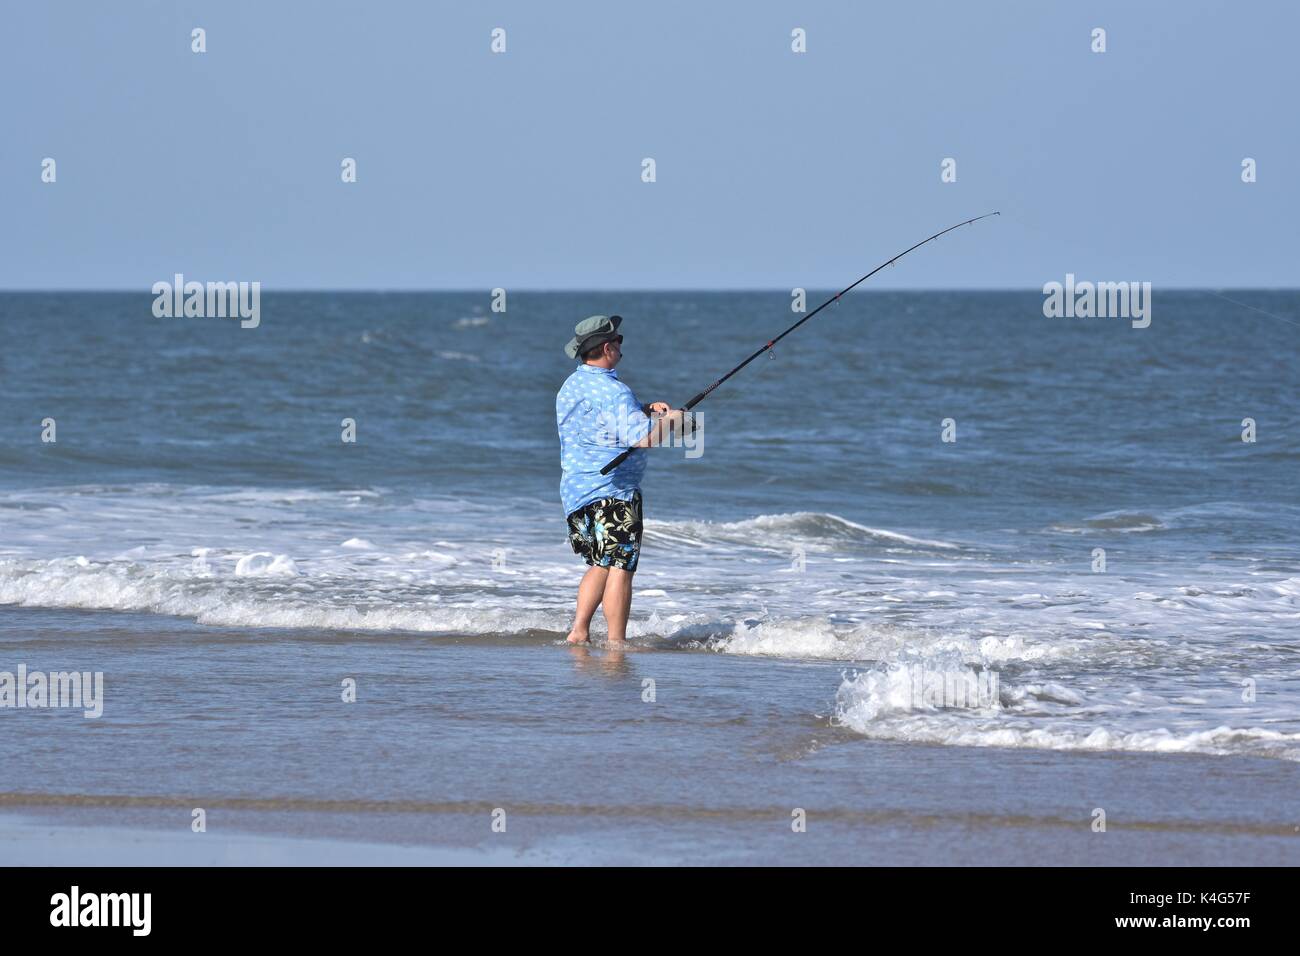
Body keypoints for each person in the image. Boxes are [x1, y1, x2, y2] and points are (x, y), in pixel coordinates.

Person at [555, 315, 684, 644]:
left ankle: (579, 632)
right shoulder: (614, 391)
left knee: (601, 562)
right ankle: (616, 643)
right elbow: (644, 440)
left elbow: (599, 419)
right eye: (619, 342)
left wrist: (643, 408)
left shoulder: (573, 385)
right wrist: (672, 421)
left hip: (576, 492)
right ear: (608, 348)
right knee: (621, 567)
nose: (622, 348)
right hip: (614, 492)